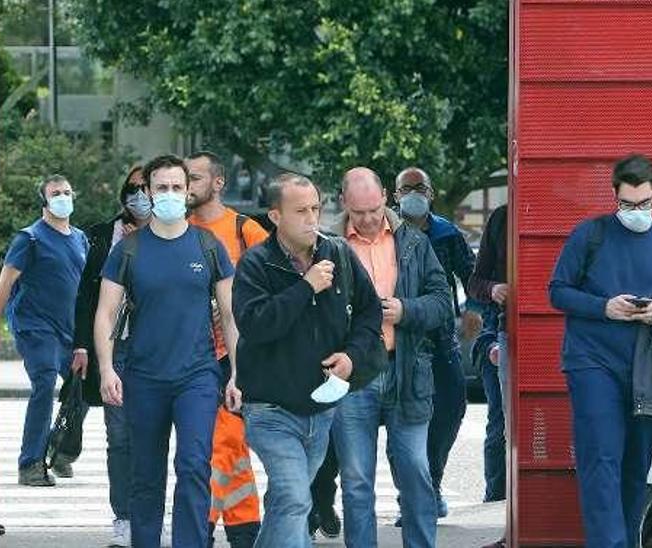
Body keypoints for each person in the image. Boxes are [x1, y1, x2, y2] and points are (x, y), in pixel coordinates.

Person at [547, 154, 652, 548]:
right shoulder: (590, 234)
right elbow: (558, 291)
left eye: (644, 203)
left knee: (637, 467)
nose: (636, 211)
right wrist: (603, 307)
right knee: (601, 462)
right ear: (614, 195)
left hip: (650, 371)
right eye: (627, 204)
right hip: (593, 364)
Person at [94, 154, 242, 548]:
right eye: (162, 187)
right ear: (148, 191)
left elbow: (230, 316)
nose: (171, 194)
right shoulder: (128, 250)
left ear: (188, 191)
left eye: (178, 187)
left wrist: (236, 373)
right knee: (146, 474)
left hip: (197, 376)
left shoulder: (208, 245)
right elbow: (105, 314)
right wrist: (107, 370)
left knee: (194, 466)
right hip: (143, 378)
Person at [233, 173, 385, 548]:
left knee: (287, 501)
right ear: (275, 216)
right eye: (300, 211)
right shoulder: (256, 264)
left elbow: (369, 314)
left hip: (322, 408)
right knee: (296, 498)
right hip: (270, 409)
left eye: (315, 208)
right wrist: (304, 288)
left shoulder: (338, 254)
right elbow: (256, 325)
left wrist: (351, 357)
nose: (311, 218)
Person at [331, 168, 452, 548]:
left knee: (416, 472)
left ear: (385, 196)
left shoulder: (414, 242)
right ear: (343, 204)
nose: (367, 219)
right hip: (353, 375)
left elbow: (442, 303)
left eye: (373, 208)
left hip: (407, 369)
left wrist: (405, 310)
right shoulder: (327, 245)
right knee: (356, 480)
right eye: (358, 212)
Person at [185, 151, 267, 548]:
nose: (187, 184)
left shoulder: (244, 230)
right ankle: (237, 527)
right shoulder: (175, 229)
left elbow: (277, 282)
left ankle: (220, 528)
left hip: (233, 355)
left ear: (218, 183)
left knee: (225, 443)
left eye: (195, 177)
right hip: (188, 355)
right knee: (215, 447)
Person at [0, 175, 89, 486]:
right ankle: (30, 463)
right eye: (55, 193)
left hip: (69, 329)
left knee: (83, 388)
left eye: (67, 192)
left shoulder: (80, 238)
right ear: (44, 201)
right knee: (44, 384)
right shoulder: (29, 238)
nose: (62, 197)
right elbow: (4, 286)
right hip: (35, 326)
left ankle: (59, 450)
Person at [72, 165, 151, 547]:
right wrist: (82, 344)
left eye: (146, 188)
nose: (139, 195)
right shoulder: (105, 235)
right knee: (119, 437)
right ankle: (124, 516)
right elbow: (87, 296)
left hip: (159, 347)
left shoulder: (181, 235)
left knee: (153, 436)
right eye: (132, 188)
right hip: (116, 346)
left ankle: (152, 512)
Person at [393, 167, 478, 521]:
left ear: (431, 193)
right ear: (395, 195)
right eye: (406, 188)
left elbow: (472, 276)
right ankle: (411, 497)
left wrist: (473, 308)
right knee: (400, 421)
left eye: (420, 187)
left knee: (450, 409)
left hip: (441, 339)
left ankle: (434, 482)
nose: (413, 193)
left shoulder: (446, 234)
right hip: (398, 340)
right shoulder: (387, 232)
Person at [470, 204, 509, 548]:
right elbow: (475, 282)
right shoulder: (500, 218)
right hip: (501, 334)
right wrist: (493, 289)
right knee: (499, 427)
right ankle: (495, 506)